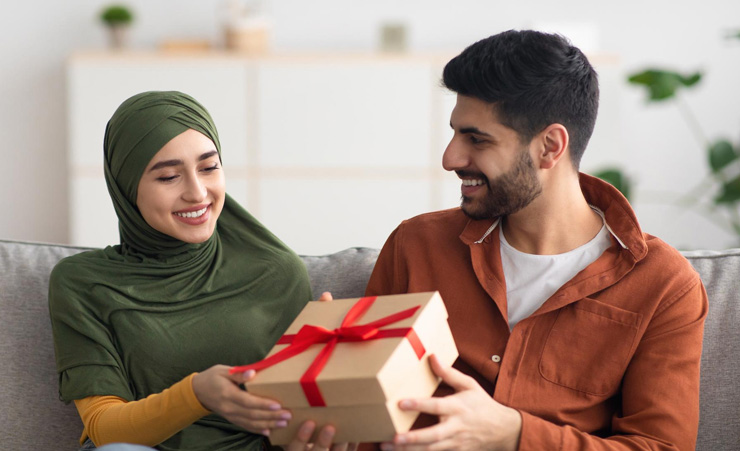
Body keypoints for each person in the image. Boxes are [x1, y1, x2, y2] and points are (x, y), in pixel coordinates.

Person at [365, 30, 708, 450]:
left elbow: (661, 447)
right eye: (454, 133)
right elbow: (366, 418)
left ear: (549, 147)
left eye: (476, 139)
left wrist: (514, 433)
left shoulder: (663, 285)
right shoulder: (415, 246)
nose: (450, 158)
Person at [49, 91, 346, 451]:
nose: (197, 192)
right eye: (169, 177)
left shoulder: (276, 271)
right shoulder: (82, 283)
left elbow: (298, 419)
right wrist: (195, 394)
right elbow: (104, 429)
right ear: (127, 188)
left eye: (209, 168)